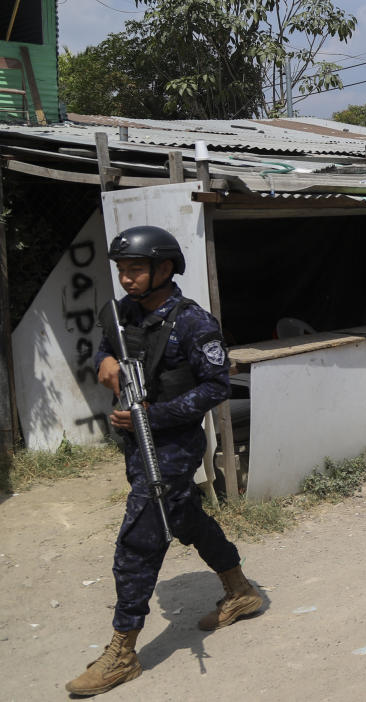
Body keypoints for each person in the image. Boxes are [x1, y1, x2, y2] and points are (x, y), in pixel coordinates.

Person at [66, 226, 262, 696]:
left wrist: (155, 416)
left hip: (171, 446)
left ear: (165, 268)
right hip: (135, 442)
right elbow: (108, 349)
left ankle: (122, 653)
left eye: (134, 269)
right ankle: (240, 591)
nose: (126, 278)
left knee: (139, 539)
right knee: (185, 517)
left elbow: (215, 387)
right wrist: (104, 363)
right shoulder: (119, 314)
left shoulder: (195, 323)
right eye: (121, 270)